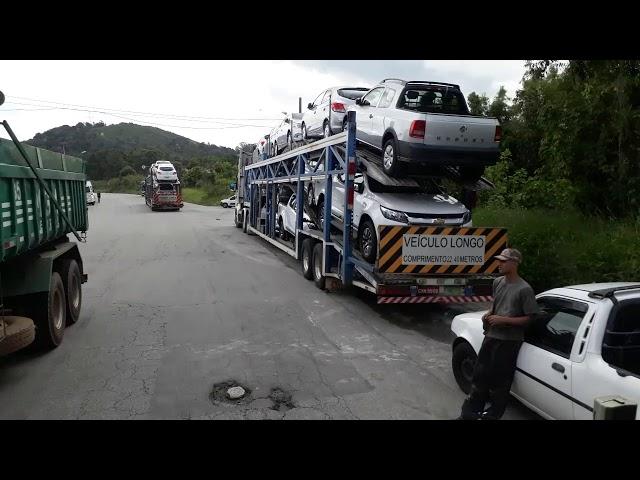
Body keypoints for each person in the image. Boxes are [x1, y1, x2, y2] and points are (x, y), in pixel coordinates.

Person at [457, 248, 539, 420]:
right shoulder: (498, 282)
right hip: (491, 336)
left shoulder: (524, 289)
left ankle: (492, 416)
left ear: (514, 263)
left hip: (509, 342)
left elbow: (531, 319)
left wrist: (504, 320)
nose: (499, 263)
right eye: (499, 260)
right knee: (479, 376)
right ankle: (470, 414)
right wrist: (489, 314)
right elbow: (496, 305)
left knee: (499, 382)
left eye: (503, 260)